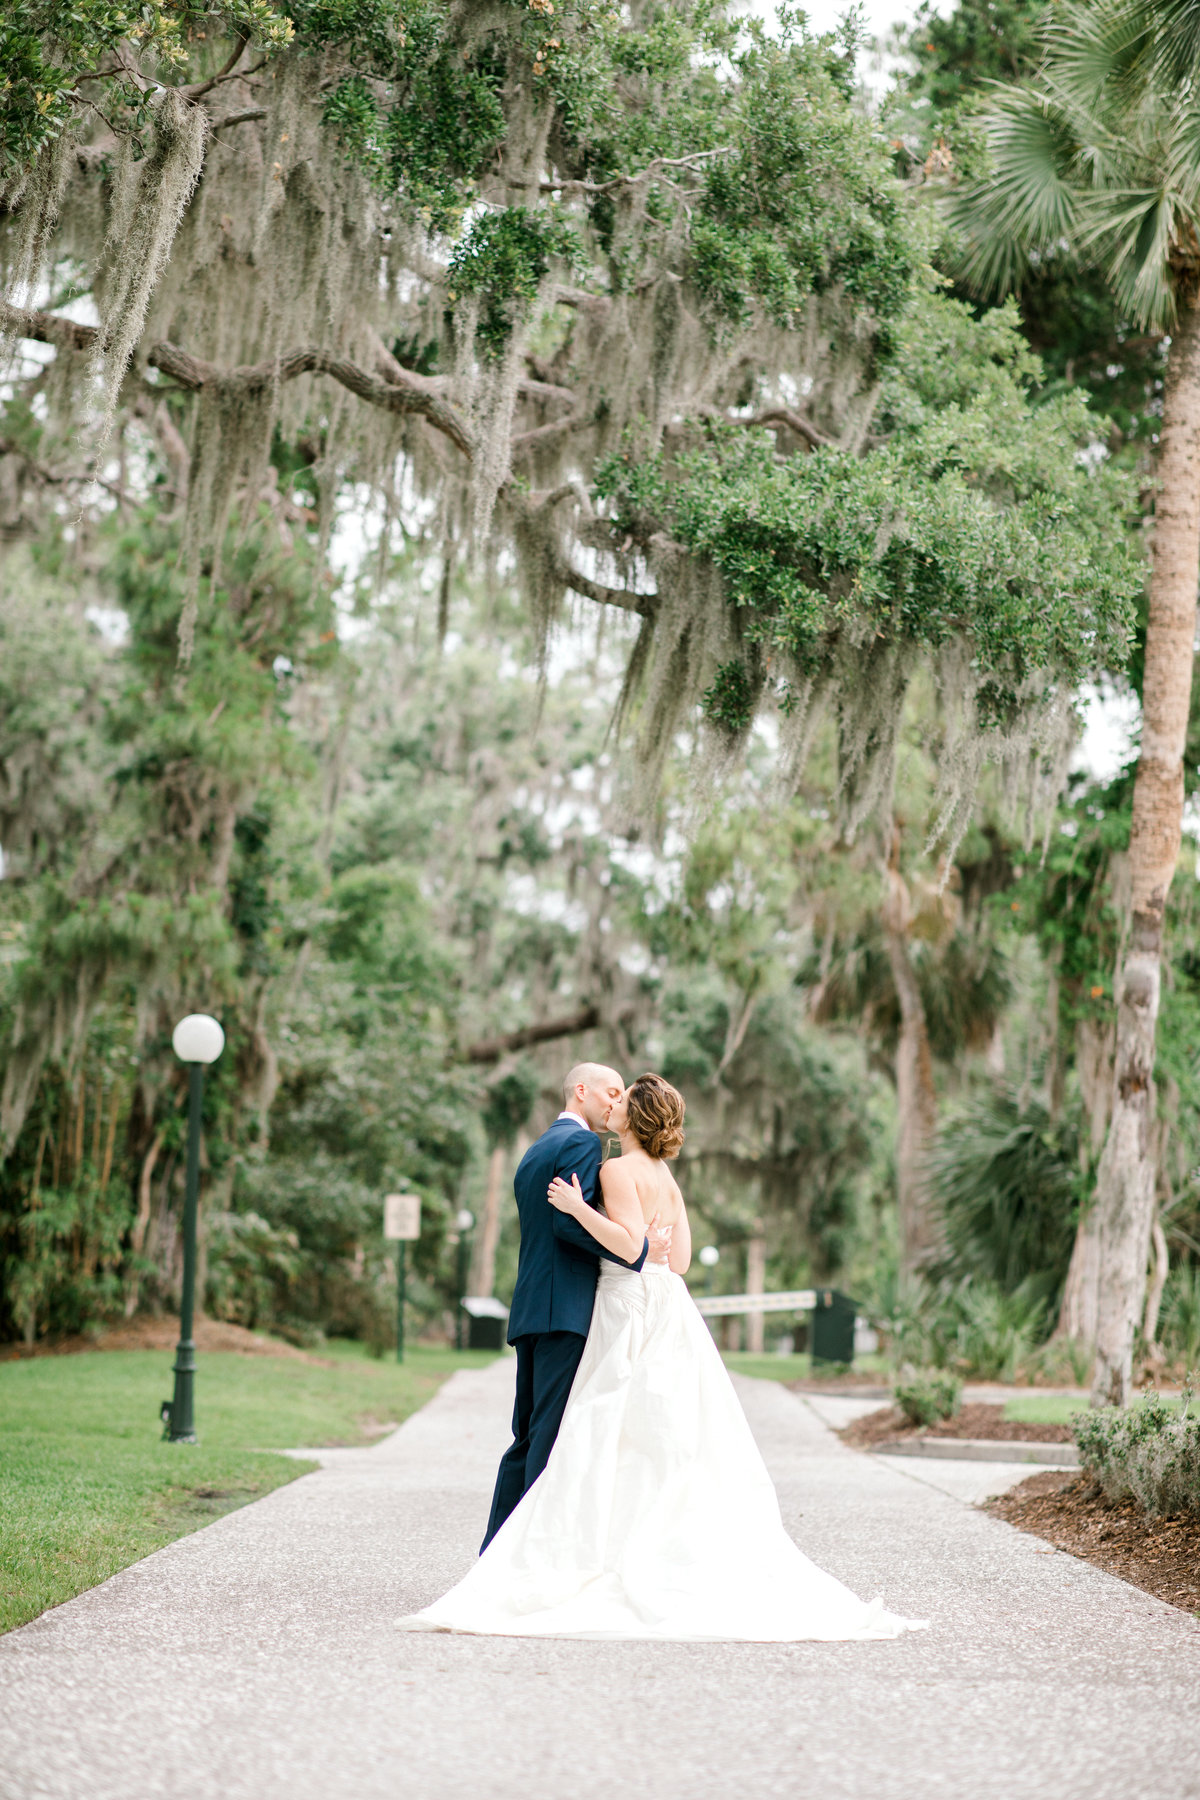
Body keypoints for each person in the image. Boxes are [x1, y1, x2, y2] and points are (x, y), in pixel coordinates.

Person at [406, 1072, 926, 1641]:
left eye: (622, 1098)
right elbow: (676, 1261)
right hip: (666, 1306)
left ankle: (550, 1558)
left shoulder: (612, 1168)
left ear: (633, 1116)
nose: (614, 1103)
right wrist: (646, 1243)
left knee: (598, 1429)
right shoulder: (668, 1179)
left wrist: (581, 1210)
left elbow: (630, 1248)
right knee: (662, 1435)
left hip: (623, 1306)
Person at [478, 1062, 671, 1553]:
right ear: (580, 1091)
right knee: (550, 1438)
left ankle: (495, 1552)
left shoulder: (537, 1148)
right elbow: (567, 1225)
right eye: (609, 1092)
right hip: (564, 1312)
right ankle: (524, 1557)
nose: (614, 1101)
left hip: (532, 1309)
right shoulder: (585, 1145)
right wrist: (638, 1248)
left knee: (526, 1436)